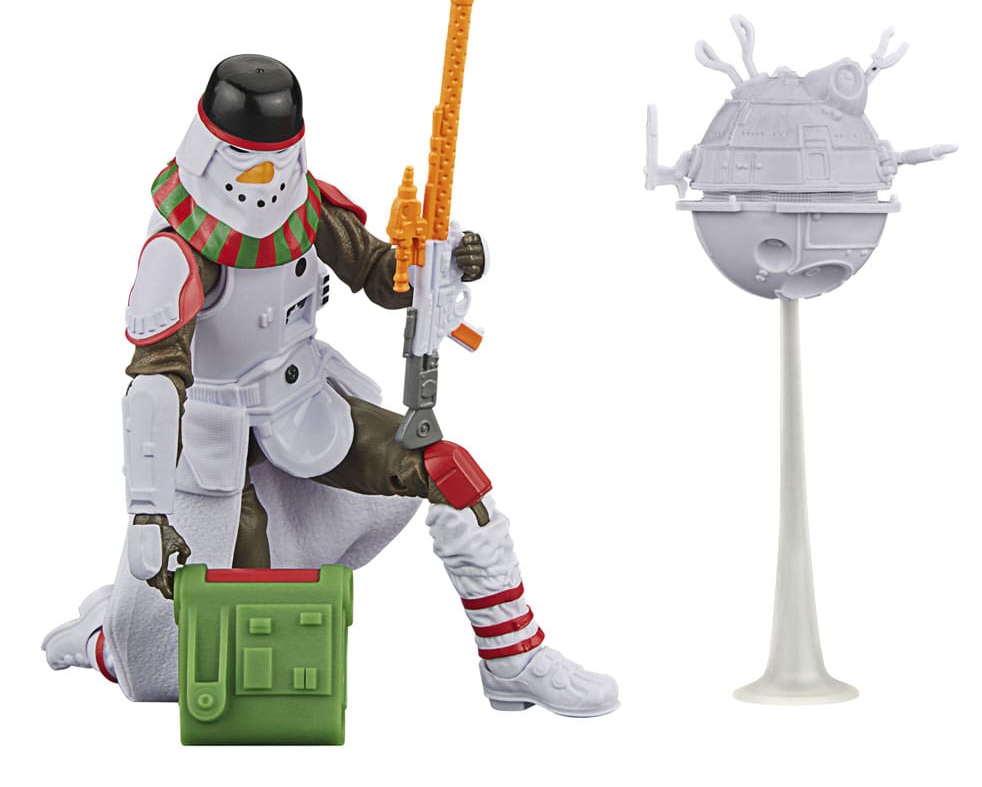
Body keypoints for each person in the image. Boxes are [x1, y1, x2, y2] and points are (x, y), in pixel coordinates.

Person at [43, 55, 618, 718]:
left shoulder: (307, 206)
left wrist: (435, 262)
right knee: (223, 637)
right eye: (250, 163)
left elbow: (380, 274)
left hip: (304, 406)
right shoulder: (180, 247)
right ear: (211, 151)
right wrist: (148, 513)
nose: (265, 181)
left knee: (449, 472)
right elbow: (153, 383)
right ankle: (105, 642)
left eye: (278, 161)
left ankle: (512, 657)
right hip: (213, 441)